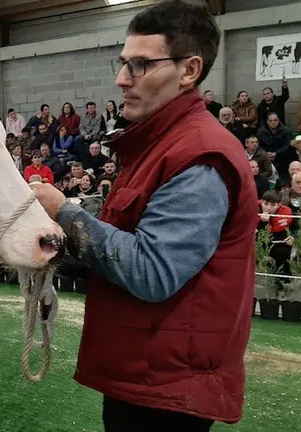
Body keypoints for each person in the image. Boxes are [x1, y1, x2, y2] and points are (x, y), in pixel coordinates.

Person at [30, 2, 255, 430]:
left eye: (140, 65)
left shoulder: (199, 155)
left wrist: (63, 210)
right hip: (149, 371)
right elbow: (124, 244)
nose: (121, 78)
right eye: (123, 63)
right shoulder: (162, 145)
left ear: (189, 71)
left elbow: (152, 272)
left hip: (167, 387)